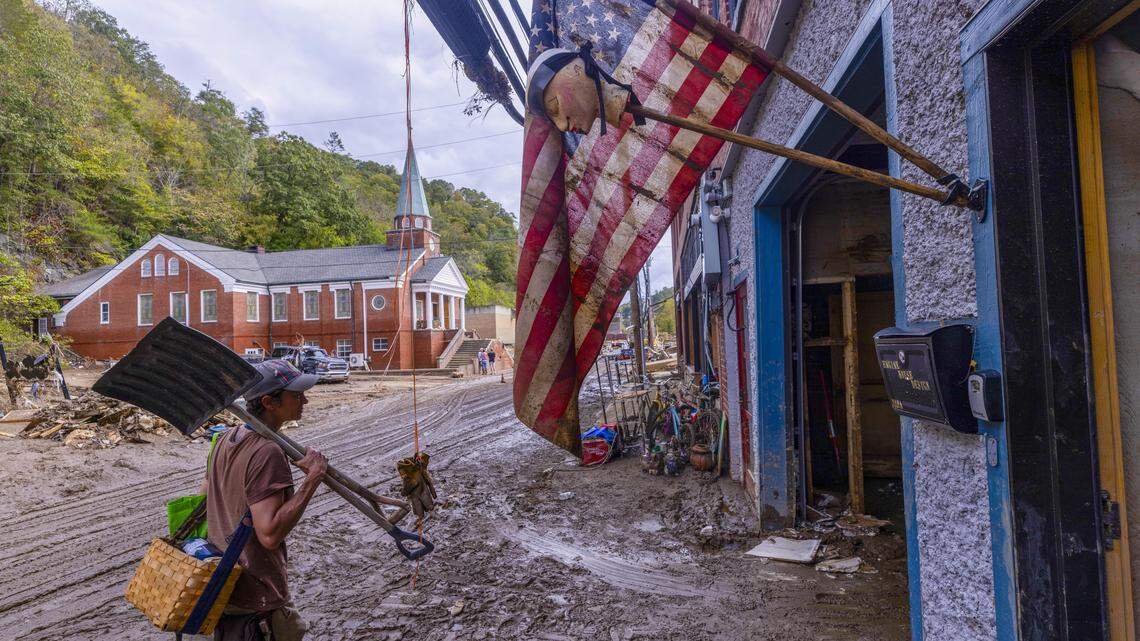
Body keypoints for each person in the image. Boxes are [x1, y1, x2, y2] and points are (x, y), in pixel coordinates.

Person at [206, 360, 327, 641]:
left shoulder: (227, 438)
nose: (305, 400)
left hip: (226, 588)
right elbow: (269, 534)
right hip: (257, 597)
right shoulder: (268, 451)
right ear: (269, 402)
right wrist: (312, 479)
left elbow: (206, 494)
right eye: (296, 395)